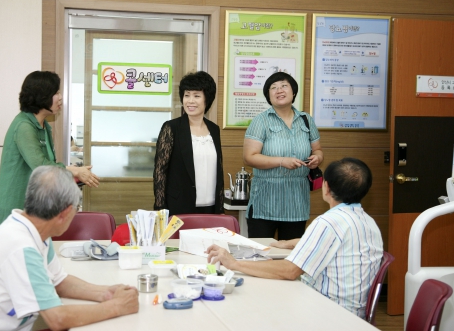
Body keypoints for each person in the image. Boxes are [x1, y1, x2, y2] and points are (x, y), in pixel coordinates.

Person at [0, 166, 139, 330]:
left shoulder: (35, 230)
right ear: (64, 213)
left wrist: (106, 293)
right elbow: (56, 319)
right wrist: (116, 307)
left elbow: (59, 282)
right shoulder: (21, 247)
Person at [206, 158, 384, 318]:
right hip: (353, 313)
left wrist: (234, 263)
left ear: (326, 187)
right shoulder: (368, 222)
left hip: (327, 312)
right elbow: (344, 246)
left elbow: (290, 271)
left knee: (251, 298)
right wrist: (297, 243)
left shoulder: (328, 222)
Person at [0, 71, 99, 229]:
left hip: (32, 210)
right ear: (41, 96)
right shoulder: (24, 126)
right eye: (56, 93)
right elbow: (41, 166)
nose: (60, 97)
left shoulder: (44, 125)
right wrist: (74, 171)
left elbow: (49, 166)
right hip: (13, 209)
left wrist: (73, 176)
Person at [243, 71, 323, 240]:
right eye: (274, 88)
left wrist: (317, 159)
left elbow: (317, 150)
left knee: (291, 256)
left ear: (293, 92)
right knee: (261, 254)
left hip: (296, 201)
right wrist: (281, 161)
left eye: (284, 86)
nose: (279, 90)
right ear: (268, 96)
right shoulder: (261, 121)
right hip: (265, 201)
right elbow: (249, 157)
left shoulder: (306, 120)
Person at [153, 71, 224, 215]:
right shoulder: (171, 128)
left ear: (207, 99)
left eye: (196, 96)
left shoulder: (214, 129)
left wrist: (220, 208)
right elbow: (160, 171)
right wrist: (160, 208)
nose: (190, 101)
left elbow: (219, 171)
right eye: (187, 95)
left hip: (210, 208)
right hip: (179, 207)